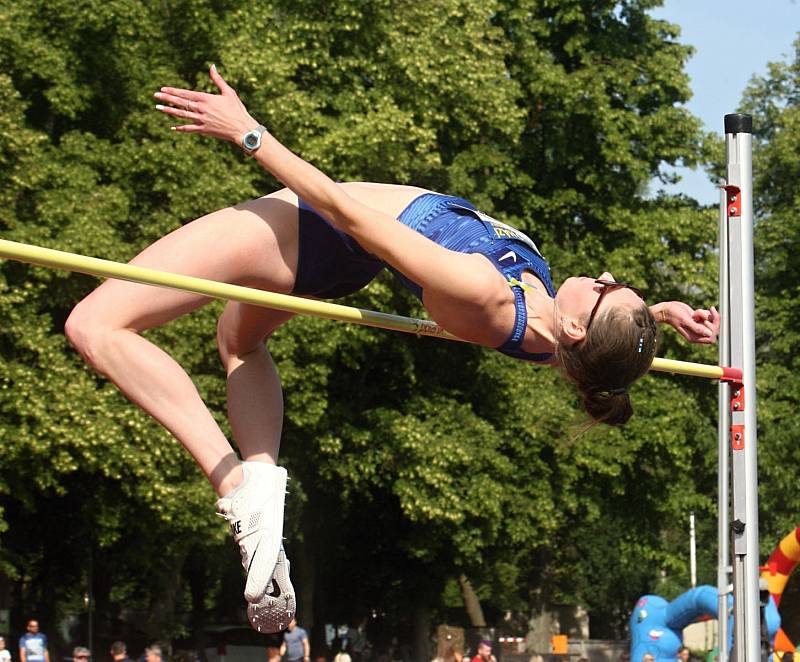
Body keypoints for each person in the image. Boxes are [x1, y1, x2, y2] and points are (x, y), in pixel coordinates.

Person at [64, 65, 719, 633]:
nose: (605, 279)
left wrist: (250, 133)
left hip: (311, 229)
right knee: (239, 344)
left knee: (97, 325)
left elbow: (348, 216)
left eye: (608, 292)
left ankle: (235, 484)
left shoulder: (487, 292)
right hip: (334, 253)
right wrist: (653, 316)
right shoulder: (556, 338)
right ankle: (260, 497)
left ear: (578, 330)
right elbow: (599, 358)